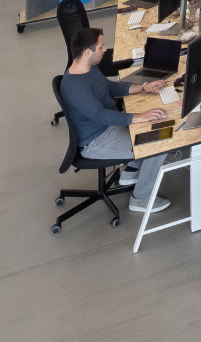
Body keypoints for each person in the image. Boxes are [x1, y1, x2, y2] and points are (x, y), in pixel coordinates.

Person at [59, 27, 174, 212]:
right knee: (159, 142)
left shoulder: (89, 68)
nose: (105, 49)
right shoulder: (75, 86)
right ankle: (141, 199)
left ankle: (131, 171)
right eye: (101, 47)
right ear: (87, 52)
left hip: (109, 127)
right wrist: (138, 117)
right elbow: (100, 116)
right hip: (96, 141)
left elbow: (111, 88)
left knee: (153, 124)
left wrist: (143, 87)